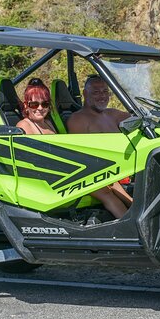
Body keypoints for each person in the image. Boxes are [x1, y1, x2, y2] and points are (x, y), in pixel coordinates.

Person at [67, 75, 133, 219]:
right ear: (85, 94)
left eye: (105, 91)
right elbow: (82, 158)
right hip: (98, 174)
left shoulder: (111, 114)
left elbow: (138, 119)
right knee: (114, 195)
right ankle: (131, 227)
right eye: (96, 92)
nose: (102, 96)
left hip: (123, 171)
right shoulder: (78, 120)